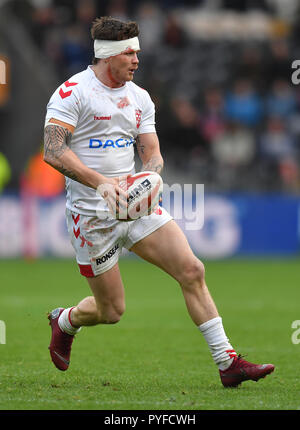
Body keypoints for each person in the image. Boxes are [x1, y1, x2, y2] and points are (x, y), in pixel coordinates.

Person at [44, 16, 275, 388]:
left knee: (192, 270)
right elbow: (53, 151)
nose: (137, 59)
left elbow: (151, 153)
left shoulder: (140, 97)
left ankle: (227, 362)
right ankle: (66, 321)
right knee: (111, 311)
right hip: (92, 217)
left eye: (138, 52)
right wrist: (102, 184)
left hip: (135, 207)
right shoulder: (73, 93)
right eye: (130, 53)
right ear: (108, 56)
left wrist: (150, 178)